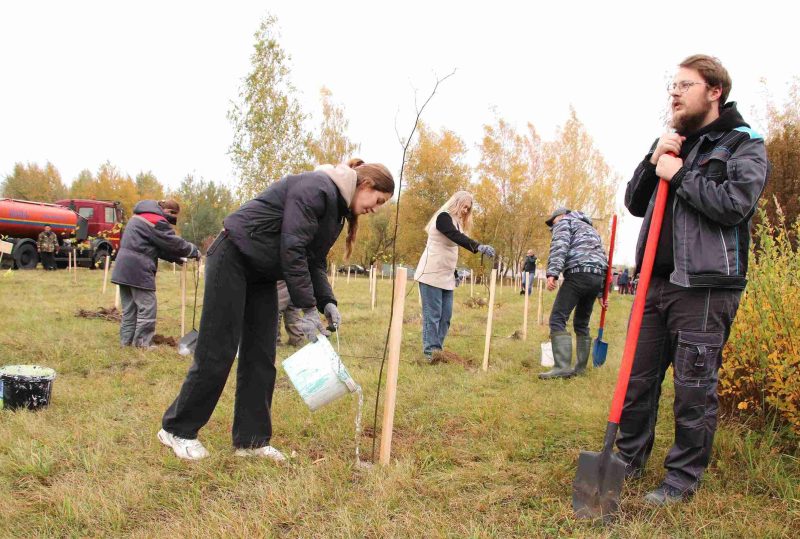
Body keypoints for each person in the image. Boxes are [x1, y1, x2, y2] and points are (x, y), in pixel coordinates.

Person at [159, 159, 394, 461]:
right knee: (219, 349)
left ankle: (252, 441)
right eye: (378, 201)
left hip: (261, 273)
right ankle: (177, 429)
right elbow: (292, 247)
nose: (376, 209)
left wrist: (327, 302)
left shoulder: (336, 211)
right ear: (366, 185)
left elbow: (314, 261)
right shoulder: (316, 188)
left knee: (261, 355)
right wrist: (308, 308)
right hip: (232, 257)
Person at [618, 55, 768, 506]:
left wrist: (680, 173)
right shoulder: (671, 141)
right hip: (653, 283)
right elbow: (634, 203)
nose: (675, 93)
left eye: (685, 85)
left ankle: (681, 480)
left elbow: (734, 205)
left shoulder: (744, 144)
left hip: (703, 287)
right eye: (672, 86)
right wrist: (654, 158)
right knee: (636, 380)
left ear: (715, 90)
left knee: (694, 388)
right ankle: (627, 460)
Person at [414, 191, 495, 363]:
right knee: (433, 315)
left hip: (446, 276)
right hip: (431, 274)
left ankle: (438, 350)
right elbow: (455, 237)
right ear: (456, 203)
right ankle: (430, 353)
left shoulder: (458, 224)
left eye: (468, 208)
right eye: (464, 206)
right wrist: (478, 246)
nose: (465, 210)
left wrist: (455, 273)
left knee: (446, 317)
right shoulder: (443, 217)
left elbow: (450, 251)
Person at [111, 200, 199, 348]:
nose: (172, 221)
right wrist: (192, 250)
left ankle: (126, 343)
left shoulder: (140, 217)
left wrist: (177, 258)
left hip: (123, 268)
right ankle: (142, 344)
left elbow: (155, 247)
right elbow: (172, 242)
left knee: (130, 310)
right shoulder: (155, 220)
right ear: (168, 211)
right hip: (138, 269)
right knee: (147, 307)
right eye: (174, 215)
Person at [539, 207, 608, 379]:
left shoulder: (565, 222)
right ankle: (580, 368)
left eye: (553, 222)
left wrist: (552, 273)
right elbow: (602, 259)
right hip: (596, 278)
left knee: (557, 318)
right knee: (581, 323)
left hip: (578, 274)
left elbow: (559, 247)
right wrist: (601, 292)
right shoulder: (592, 230)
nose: (552, 227)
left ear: (561, 216)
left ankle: (562, 367)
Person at [276, 280, 305, 346]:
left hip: (281, 275)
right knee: (293, 308)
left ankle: (274, 342)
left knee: (276, 308)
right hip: (296, 276)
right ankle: (297, 339)